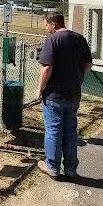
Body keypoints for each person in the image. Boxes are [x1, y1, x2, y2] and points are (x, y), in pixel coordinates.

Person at [36, 11, 92, 179]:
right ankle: (70, 169)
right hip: (74, 93)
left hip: (55, 95)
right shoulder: (79, 38)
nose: (46, 29)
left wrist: (39, 89)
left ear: (54, 24)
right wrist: (76, 76)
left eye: (46, 25)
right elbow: (88, 64)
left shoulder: (53, 40)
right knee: (70, 131)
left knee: (53, 130)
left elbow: (47, 68)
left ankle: (52, 166)